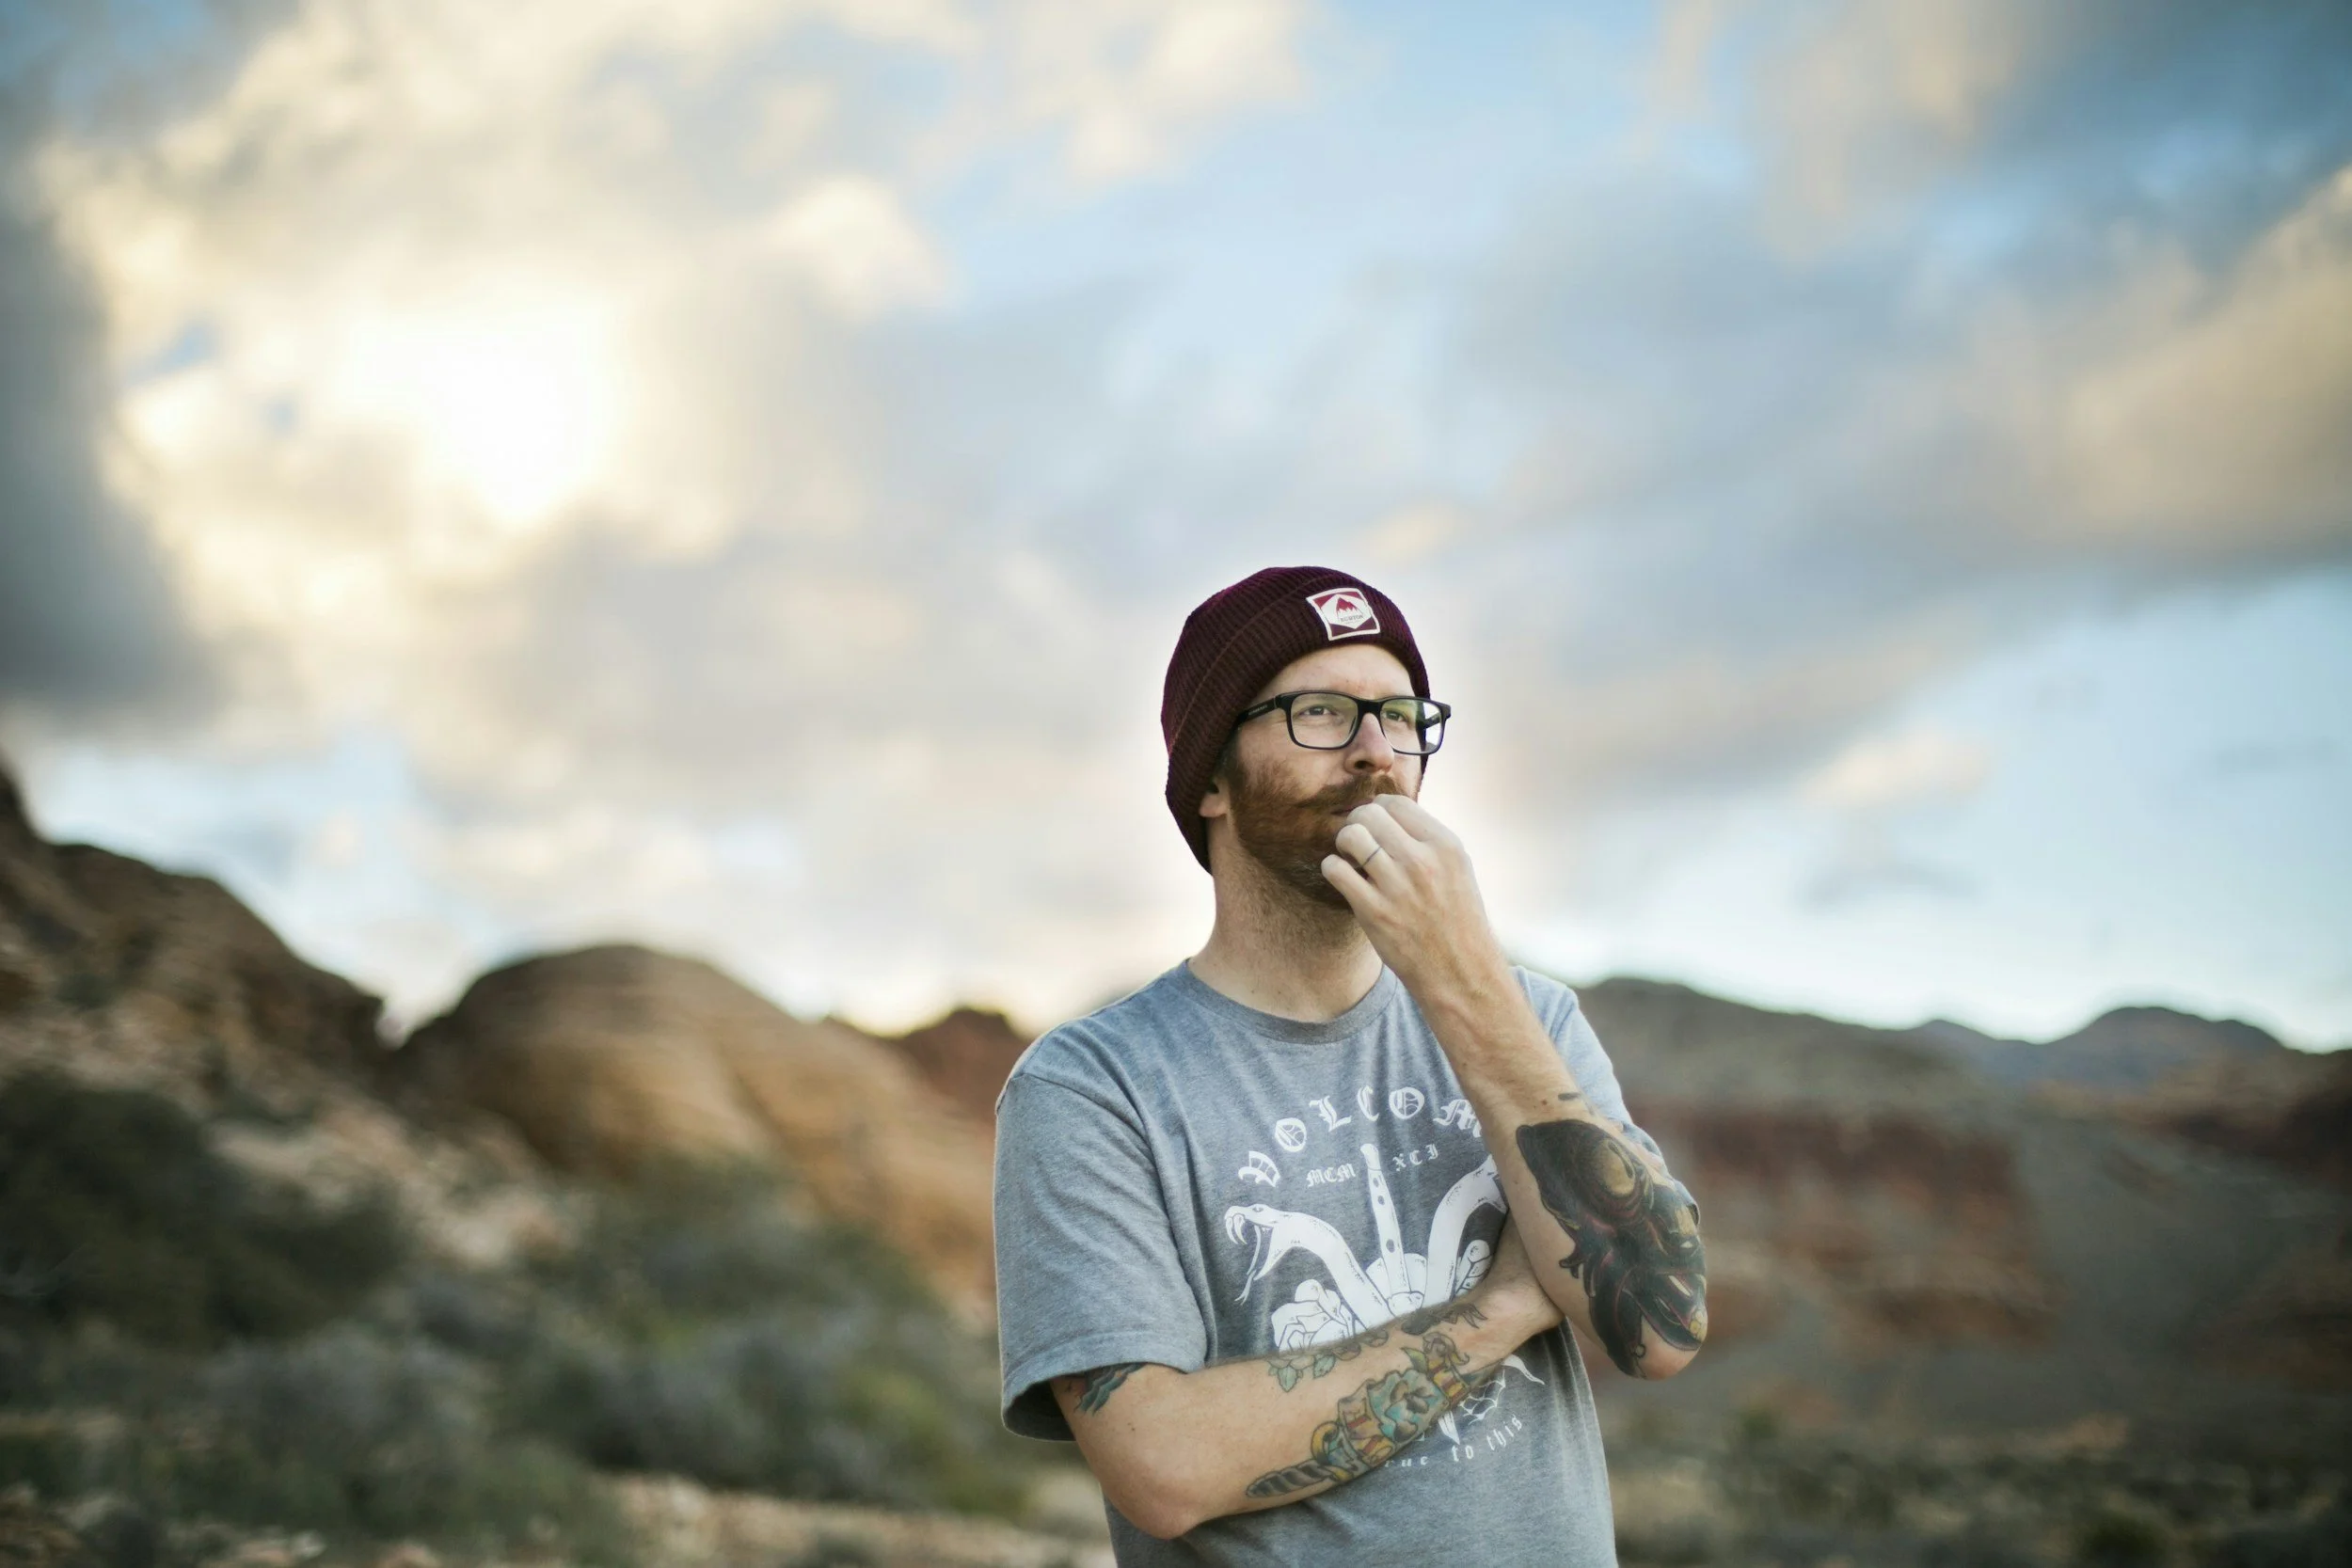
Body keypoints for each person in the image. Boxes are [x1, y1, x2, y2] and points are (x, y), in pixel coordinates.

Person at [993, 565, 1707, 1565]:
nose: (1376, 751)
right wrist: (1500, 1305)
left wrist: (1468, 986)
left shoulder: (1530, 1016)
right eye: (1322, 712)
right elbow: (1161, 1465)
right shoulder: (1093, 1085)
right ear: (1208, 779)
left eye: (1401, 715)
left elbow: (1660, 1326)